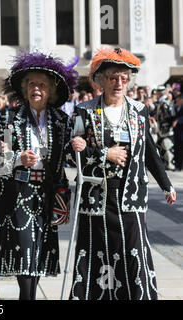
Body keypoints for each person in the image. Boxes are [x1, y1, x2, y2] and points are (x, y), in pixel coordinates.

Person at [69, 47, 177, 300]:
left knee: (133, 249)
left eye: (123, 78)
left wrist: (166, 185)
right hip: (96, 196)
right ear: (101, 81)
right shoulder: (83, 111)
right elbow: (71, 150)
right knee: (96, 250)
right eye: (112, 77)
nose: (118, 83)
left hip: (130, 195)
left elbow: (149, 150)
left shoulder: (139, 110)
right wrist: (104, 153)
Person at [0, 51, 80, 300]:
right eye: (31, 84)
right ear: (23, 88)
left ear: (50, 90)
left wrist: (79, 146)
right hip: (19, 194)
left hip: (49, 195)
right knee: (24, 252)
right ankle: (26, 297)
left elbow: (72, 158)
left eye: (41, 85)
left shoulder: (62, 121)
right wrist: (18, 159)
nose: (36, 89)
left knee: (39, 252)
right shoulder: (8, 118)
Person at [155, 85, 176, 170]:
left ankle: (170, 165)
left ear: (160, 93)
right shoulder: (163, 101)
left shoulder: (165, 102)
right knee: (163, 147)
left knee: (167, 146)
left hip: (166, 129)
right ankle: (166, 164)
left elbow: (169, 116)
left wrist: (161, 120)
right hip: (163, 129)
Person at [173, 94, 183, 171]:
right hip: (177, 133)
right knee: (178, 149)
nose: (176, 101)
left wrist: (178, 120)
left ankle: (180, 166)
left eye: (178, 99)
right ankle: (178, 166)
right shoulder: (177, 107)